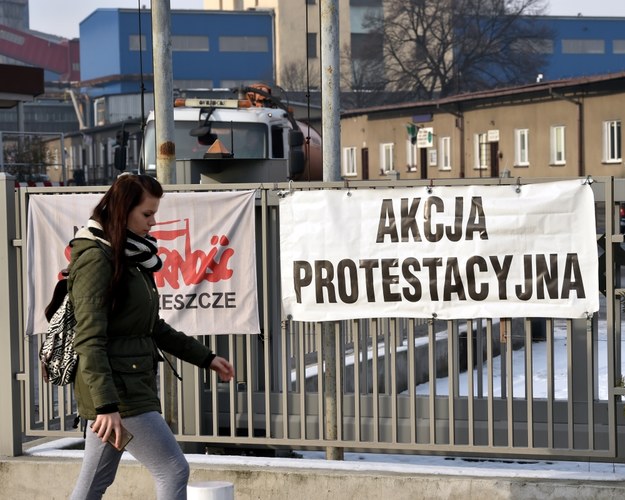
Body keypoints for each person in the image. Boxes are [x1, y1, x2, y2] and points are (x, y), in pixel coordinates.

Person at [69, 173, 235, 500]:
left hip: (123, 387)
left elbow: (152, 327)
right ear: (122, 210)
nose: (153, 222)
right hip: (118, 393)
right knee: (173, 469)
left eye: (155, 213)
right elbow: (88, 339)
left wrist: (206, 358)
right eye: (147, 214)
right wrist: (105, 405)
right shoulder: (97, 258)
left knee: (92, 485)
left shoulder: (130, 257)